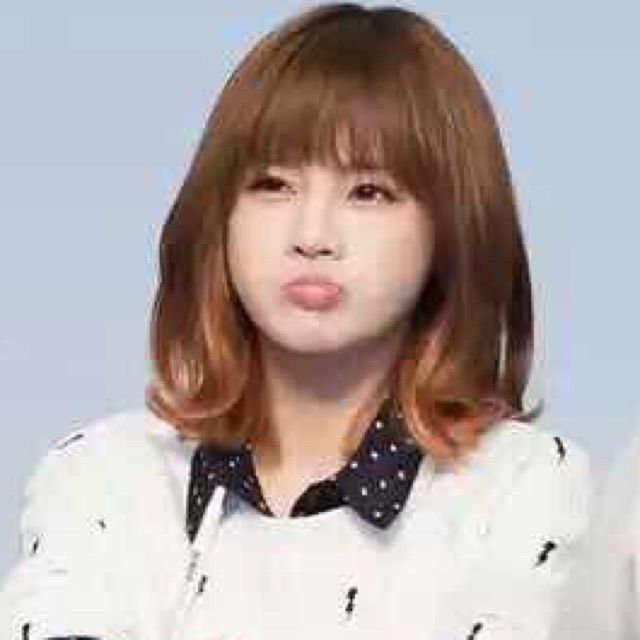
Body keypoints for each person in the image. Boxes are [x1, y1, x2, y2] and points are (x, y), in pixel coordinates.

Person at [0, 3, 591, 639]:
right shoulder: (107, 479)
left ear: (452, 229)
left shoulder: (522, 488)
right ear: (219, 216)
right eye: (273, 185)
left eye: (368, 192)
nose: (312, 235)